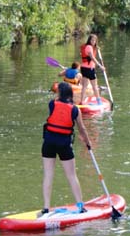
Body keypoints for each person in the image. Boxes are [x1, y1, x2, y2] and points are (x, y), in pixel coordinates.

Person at [40, 82, 93, 216]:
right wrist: (88, 143)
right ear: (70, 94)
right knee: (71, 175)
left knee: (48, 174)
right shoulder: (75, 110)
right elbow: (81, 129)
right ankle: (80, 206)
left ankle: (46, 208)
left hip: (49, 142)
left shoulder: (52, 104)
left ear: (59, 94)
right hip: (64, 144)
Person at [79, 34, 105, 105]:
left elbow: (91, 52)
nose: (93, 41)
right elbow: (92, 58)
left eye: (95, 40)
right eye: (92, 40)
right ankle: (99, 102)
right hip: (89, 69)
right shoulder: (89, 47)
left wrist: (96, 47)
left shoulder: (87, 46)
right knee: (94, 86)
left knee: (84, 86)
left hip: (83, 68)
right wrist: (100, 66)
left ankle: (82, 101)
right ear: (89, 40)